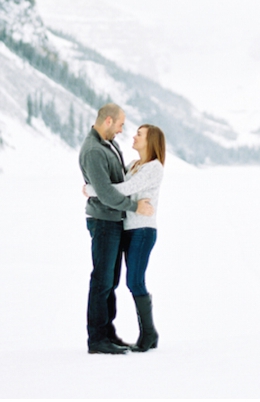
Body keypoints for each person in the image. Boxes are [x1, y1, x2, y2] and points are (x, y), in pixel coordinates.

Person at [79, 103, 153, 355]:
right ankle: (97, 338)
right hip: (103, 221)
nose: (122, 130)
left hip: (113, 221)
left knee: (110, 281)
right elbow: (107, 193)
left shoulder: (108, 145)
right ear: (108, 121)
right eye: (121, 124)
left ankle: (107, 332)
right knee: (101, 280)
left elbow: (117, 181)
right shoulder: (93, 151)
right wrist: (134, 207)